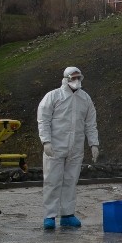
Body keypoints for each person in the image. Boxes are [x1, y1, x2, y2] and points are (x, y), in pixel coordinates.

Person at [37, 67, 100, 230]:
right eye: (74, 78)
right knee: (52, 181)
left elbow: (90, 123)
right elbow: (43, 120)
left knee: (71, 181)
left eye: (79, 78)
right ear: (66, 78)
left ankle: (67, 214)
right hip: (55, 147)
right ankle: (49, 216)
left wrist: (94, 143)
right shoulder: (53, 96)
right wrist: (46, 142)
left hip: (75, 148)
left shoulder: (85, 98)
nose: (77, 81)